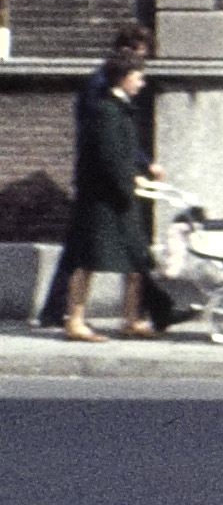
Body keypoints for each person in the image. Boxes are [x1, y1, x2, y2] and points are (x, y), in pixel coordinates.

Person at [38, 22, 152, 330]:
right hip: (101, 186)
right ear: (127, 51)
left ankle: (132, 315)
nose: (142, 64)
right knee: (83, 252)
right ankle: (65, 315)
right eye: (140, 53)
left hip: (105, 182)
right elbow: (106, 138)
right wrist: (134, 171)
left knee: (110, 251)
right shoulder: (103, 90)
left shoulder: (111, 89)